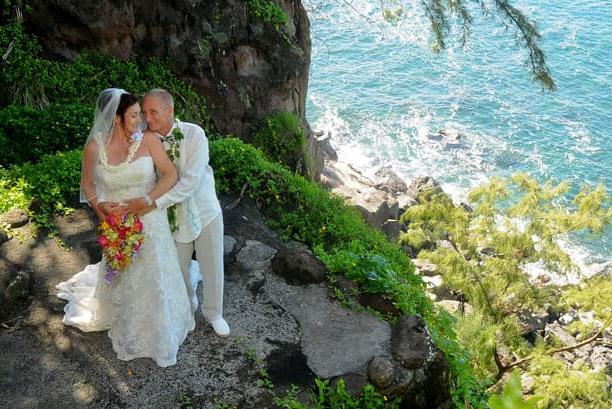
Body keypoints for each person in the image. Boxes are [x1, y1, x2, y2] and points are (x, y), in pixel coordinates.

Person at [56, 88, 195, 367]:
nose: (140, 120)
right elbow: (88, 186)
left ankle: (161, 328)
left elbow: (171, 175)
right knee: (123, 274)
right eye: (133, 115)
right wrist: (101, 212)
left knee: (154, 273)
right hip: (117, 224)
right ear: (116, 118)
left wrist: (147, 200)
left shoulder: (150, 141)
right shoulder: (95, 147)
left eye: (140, 114)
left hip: (148, 218)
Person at [124, 88, 229, 337]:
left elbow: (190, 182)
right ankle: (188, 303)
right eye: (144, 112)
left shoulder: (195, 134)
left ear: (169, 111)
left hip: (204, 211)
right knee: (178, 266)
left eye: (153, 112)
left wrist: (152, 203)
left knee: (212, 264)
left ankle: (214, 313)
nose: (147, 118)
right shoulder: (145, 139)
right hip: (171, 216)